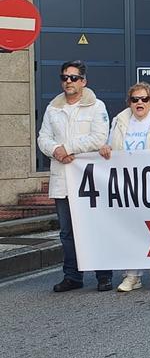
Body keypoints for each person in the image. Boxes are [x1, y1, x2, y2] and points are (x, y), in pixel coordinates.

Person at [38, 60, 112, 292]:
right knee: (67, 232)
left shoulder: (96, 106)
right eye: (65, 77)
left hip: (89, 180)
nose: (68, 81)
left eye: (73, 77)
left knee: (94, 227)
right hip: (63, 179)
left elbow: (99, 138)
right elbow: (43, 138)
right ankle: (72, 276)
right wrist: (55, 151)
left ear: (83, 81)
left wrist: (67, 148)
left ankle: (103, 275)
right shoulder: (53, 108)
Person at [99, 83, 150, 292]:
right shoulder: (119, 121)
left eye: (144, 99)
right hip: (126, 185)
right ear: (130, 102)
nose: (139, 103)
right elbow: (110, 145)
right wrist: (106, 148)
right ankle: (132, 275)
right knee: (129, 230)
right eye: (135, 99)